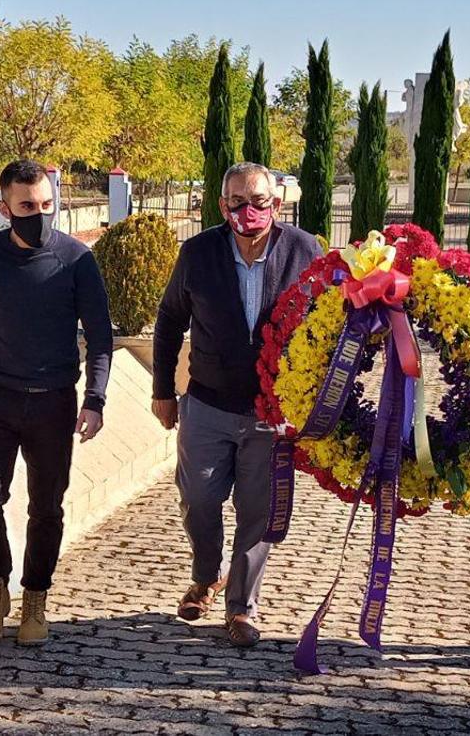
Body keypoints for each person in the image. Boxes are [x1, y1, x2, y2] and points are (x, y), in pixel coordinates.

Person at [152, 162, 322, 647]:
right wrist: (163, 390)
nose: (249, 212)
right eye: (237, 203)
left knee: (258, 512)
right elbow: (168, 324)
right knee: (199, 501)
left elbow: (331, 325)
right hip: (206, 402)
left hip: (272, 412)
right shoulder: (198, 252)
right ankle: (207, 575)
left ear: (278, 203)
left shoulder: (304, 251)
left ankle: (242, 608)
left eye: (259, 202)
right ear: (222, 205)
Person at [0, 159, 113, 645]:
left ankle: (35, 600)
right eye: (26, 206)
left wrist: (95, 399)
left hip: (54, 403)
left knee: (47, 507)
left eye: (47, 205)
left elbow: (100, 336)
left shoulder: (78, 259)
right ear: (5, 209)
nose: (39, 215)